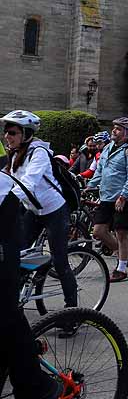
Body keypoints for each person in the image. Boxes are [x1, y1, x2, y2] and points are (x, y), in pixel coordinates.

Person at [0, 171, 64, 399]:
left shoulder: (34, 154)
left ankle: (36, 391)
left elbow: (33, 178)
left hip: (10, 206)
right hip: (27, 206)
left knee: (2, 308)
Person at [2, 110, 76, 308]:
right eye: (6, 132)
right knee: (16, 255)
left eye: (12, 132)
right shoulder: (15, 153)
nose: (7, 136)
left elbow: (29, 182)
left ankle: (72, 311)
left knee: (60, 262)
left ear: (26, 133)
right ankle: (13, 300)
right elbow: (5, 179)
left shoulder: (39, 152)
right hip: (33, 211)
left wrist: (7, 201)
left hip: (55, 211)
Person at [87, 117, 128, 282]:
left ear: (127, 133)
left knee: (121, 233)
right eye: (114, 127)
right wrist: (90, 186)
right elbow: (100, 171)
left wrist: (123, 197)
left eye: (118, 129)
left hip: (122, 198)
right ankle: (122, 253)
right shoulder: (107, 148)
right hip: (106, 196)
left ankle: (121, 268)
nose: (114, 130)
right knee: (98, 231)